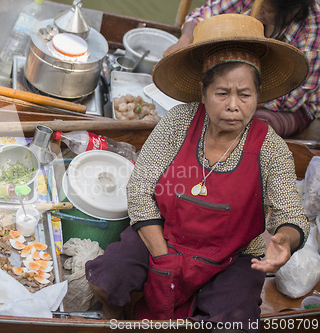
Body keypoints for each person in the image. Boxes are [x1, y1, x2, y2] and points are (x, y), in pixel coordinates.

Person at [85, 14, 310, 332]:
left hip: (232, 257)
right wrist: (163, 259)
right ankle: (118, 318)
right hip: (165, 235)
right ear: (203, 92)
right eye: (222, 93)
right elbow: (140, 188)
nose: (234, 105)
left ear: (257, 96)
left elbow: (293, 215)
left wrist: (285, 240)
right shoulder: (178, 122)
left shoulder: (271, 148)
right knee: (106, 279)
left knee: (236, 323)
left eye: (245, 95)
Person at [163, 0, 320, 138]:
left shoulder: (313, 30)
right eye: (261, 6)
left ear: (295, 9)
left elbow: (289, 100)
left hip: (287, 107)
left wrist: (229, 100)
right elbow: (203, 13)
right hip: (234, 81)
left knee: (245, 128)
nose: (260, 11)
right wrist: (186, 39)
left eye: (267, 9)